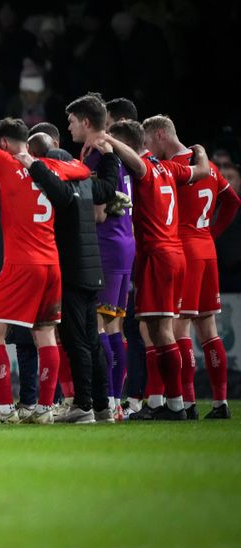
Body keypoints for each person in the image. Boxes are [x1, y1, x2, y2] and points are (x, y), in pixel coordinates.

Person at [0, 119, 93, 424]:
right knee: (44, 334)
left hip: (21, 265)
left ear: (3, 143)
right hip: (51, 264)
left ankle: (4, 409)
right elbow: (83, 170)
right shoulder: (52, 168)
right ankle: (43, 408)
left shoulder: (4, 162)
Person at [104, 121, 210, 421]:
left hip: (158, 256)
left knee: (162, 332)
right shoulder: (169, 169)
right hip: (173, 254)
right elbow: (201, 171)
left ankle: (175, 405)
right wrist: (199, 151)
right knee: (154, 329)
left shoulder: (147, 169)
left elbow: (135, 159)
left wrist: (107, 138)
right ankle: (168, 402)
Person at [18, 132, 124, 423]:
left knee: (76, 341)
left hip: (72, 271)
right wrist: (110, 156)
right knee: (91, 340)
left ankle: (83, 404)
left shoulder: (62, 188)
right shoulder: (87, 184)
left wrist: (31, 163)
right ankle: (102, 407)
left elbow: (55, 189)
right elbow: (108, 188)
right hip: (92, 271)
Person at [142, 115, 239, 419]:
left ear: (159, 135)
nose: (147, 147)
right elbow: (233, 201)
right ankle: (221, 403)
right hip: (205, 250)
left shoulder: (178, 169)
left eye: (147, 141)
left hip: (184, 249)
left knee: (177, 327)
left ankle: (186, 401)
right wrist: (211, 232)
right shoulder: (208, 165)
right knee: (208, 328)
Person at [66, 94, 136, 417]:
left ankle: (105, 401)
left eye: (71, 121)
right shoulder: (115, 153)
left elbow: (97, 215)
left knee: (97, 327)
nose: (68, 127)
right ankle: (113, 402)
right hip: (125, 244)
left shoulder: (95, 154)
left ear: (86, 122)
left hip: (105, 244)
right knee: (114, 328)